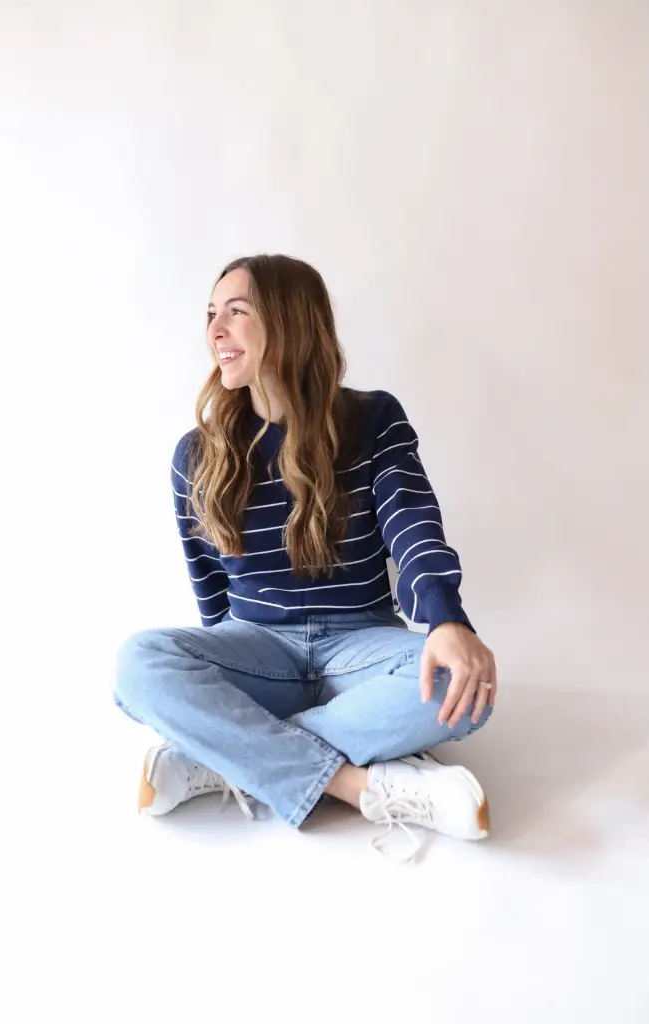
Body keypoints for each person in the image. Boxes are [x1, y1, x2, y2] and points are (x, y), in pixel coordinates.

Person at [114, 254, 498, 862]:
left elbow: (412, 523)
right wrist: (217, 675)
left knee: (460, 679)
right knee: (139, 664)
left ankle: (221, 760)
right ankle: (361, 785)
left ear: (289, 323)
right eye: (211, 314)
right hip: (258, 645)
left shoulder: (373, 419)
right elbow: (210, 591)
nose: (215, 330)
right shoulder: (197, 454)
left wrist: (446, 618)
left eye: (236, 313)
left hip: (361, 643)